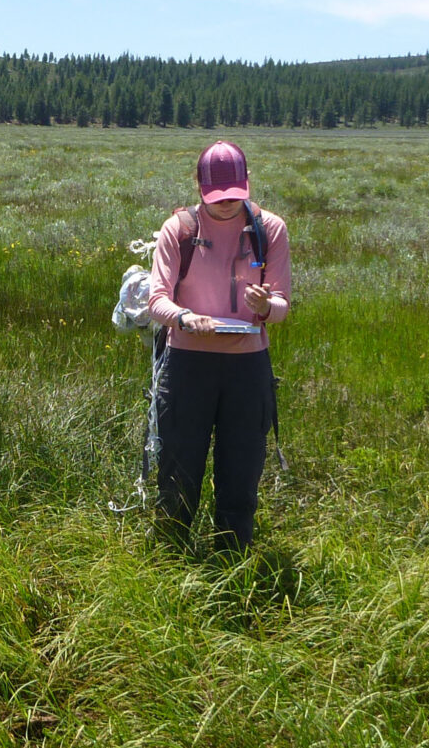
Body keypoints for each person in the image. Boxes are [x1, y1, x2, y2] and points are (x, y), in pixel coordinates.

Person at [145, 140, 291, 554]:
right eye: (217, 197)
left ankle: (231, 558)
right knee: (178, 467)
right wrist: (184, 318)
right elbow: (157, 299)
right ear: (199, 187)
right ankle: (171, 557)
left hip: (247, 369)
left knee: (241, 470)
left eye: (234, 197)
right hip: (187, 364)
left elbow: (282, 307)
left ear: (247, 186)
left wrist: (266, 306)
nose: (226, 205)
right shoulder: (180, 229)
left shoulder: (271, 230)